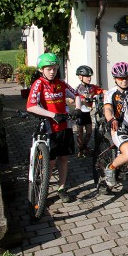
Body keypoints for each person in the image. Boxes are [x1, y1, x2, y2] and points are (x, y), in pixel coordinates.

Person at [27, 53, 82, 203]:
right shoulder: (39, 83)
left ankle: (61, 188)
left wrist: (77, 108)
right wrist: (51, 114)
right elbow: (31, 106)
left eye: (55, 68)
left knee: (63, 158)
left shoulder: (61, 83)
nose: (52, 71)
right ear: (41, 70)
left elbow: (77, 95)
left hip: (65, 126)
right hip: (49, 127)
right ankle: (43, 187)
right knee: (50, 161)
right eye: (49, 69)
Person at [73, 65, 104, 158]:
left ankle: (84, 146)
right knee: (80, 133)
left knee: (89, 132)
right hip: (80, 113)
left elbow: (101, 91)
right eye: (87, 76)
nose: (89, 78)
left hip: (87, 113)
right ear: (80, 77)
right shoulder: (78, 88)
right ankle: (80, 150)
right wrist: (82, 100)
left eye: (90, 76)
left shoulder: (92, 87)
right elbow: (72, 98)